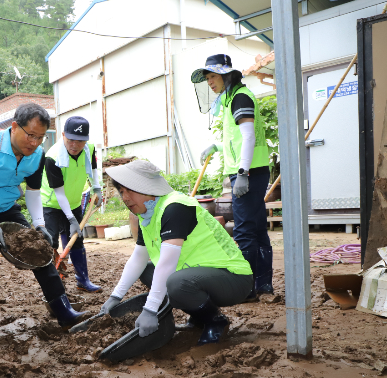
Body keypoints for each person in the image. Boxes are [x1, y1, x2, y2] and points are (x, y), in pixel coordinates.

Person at [0, 103, 87, 335]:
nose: (34, 143)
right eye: (30, 135)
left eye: (40, 137)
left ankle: (63, 310)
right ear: (14, 126)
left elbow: (33, 192)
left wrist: (39, 224)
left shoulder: (36, 155)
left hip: (6, 207)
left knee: (41, 252)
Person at [99, 160, 253, 345]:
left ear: (145, 187)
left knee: (176, 283)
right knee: (148, 271)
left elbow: (167, 263)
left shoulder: (176, 207)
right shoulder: (148, 214)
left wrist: (150, 310)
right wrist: (115, 297)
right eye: (121, 192)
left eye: (128, 190)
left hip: (233, 278)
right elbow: (138, 259)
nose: (124, 198)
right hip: (201, 275)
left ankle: (215, 321)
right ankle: (198, 317)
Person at [191, 54, 273, 300]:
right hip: (251, 170)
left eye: (213, 76)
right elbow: (237, 135)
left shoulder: (239, 97)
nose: (210, 82)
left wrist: (242, 174)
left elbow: (249, 137)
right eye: (207, 78)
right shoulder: (230, 98)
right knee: (257, 229)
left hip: (248, 172)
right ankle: (262, 285)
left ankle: (246, 288)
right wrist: (217, 146)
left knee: (244, 231)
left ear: (227, 74)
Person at [40, 116, 103, 292]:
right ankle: (53, 284)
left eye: (80, 141)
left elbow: (94, 169)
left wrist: (97, 188)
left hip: (74, 202)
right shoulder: (52, 157)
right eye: (71, 140)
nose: (75, 145)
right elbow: (59, 193)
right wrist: (71, 219)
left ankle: (83, 280)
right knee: (50, 241)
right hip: (51, 204)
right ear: (63, 135)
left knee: (77, 240)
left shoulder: (89, 149)